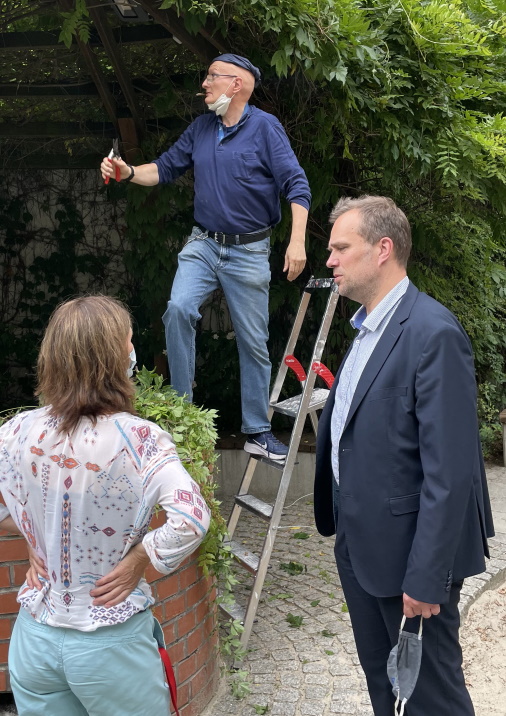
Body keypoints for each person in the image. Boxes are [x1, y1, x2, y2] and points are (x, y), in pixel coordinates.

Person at [313, 195, 494, 716]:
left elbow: (452, 472)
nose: (331, 260)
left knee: (431, 697)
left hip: (411, 560)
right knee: (384, 686)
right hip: (360, 546)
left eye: (341, 248)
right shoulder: (368, 330)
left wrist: (425, 576)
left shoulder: (433, 334)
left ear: (383, 249)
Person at [0, 295, 210, 716]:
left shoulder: (18, 430)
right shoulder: (140, 440)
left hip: (34, 640)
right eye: (129, 342)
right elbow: (191, 518)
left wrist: (33, 535)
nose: (133, 351)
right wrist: (140, 559)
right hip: (109, 639)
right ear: (113, 359)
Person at [101, 54, 311, 463]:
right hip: (203, 243)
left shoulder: (266, 128)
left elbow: (296, 185)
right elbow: (163, 169)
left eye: (213, 77)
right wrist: (126, 172)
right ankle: (183, 412)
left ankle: (257, 430)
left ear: (237, 85)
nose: (205, 84)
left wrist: (297, 241)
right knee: (178, 308)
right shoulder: (201, 128)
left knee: (253, 342)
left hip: (249, 249)